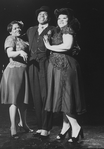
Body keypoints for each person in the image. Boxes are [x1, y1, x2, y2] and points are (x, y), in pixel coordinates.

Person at [43, 8, 86, 143]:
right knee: (61, 97)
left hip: (65, 66)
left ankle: (76, 126)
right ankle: (65, 127)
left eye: (64, 18)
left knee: (65, 96)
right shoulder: (58, 31)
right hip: (57, 66)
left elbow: (67, 46)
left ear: (69, 20)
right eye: (59, 18)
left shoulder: (67, 30)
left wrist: (49, 46)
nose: (61, 20)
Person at [0, 20, 33, 139]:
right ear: (11, 30)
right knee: (14, 100)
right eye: (15, 28)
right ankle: (13, 127)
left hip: (23, 71)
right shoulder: (10, 38)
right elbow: (10, 54)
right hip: (14, 70)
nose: (18, 30)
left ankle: (23, 123)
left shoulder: (23, 40)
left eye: (19, 28)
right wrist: (20, 51)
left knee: (23, 100)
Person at [26, 6, 54, 138]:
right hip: (32, 64)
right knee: (36, 95)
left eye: (45, 14)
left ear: (48, 17)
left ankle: (47, 127)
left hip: (46, 63)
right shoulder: (31, 30)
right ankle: (40, 126)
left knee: (45, 95)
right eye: (40, 14)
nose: (42, 16)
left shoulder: (53, 29)